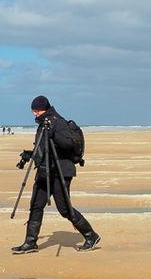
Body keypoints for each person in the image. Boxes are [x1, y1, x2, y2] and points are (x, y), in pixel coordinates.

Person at [11, 95, 100, 254]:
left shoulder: (58, 122)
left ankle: (91, 235)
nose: (34, 114)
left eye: (36, 111)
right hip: (44, 171)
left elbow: (66, 144)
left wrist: (53, 134)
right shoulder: (43, 124)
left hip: (60, 171)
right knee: (36, 205)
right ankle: (30, 242)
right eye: (33, 111)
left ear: (43, 109)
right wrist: (30, 154)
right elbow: (45, 150)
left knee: (65, 209)